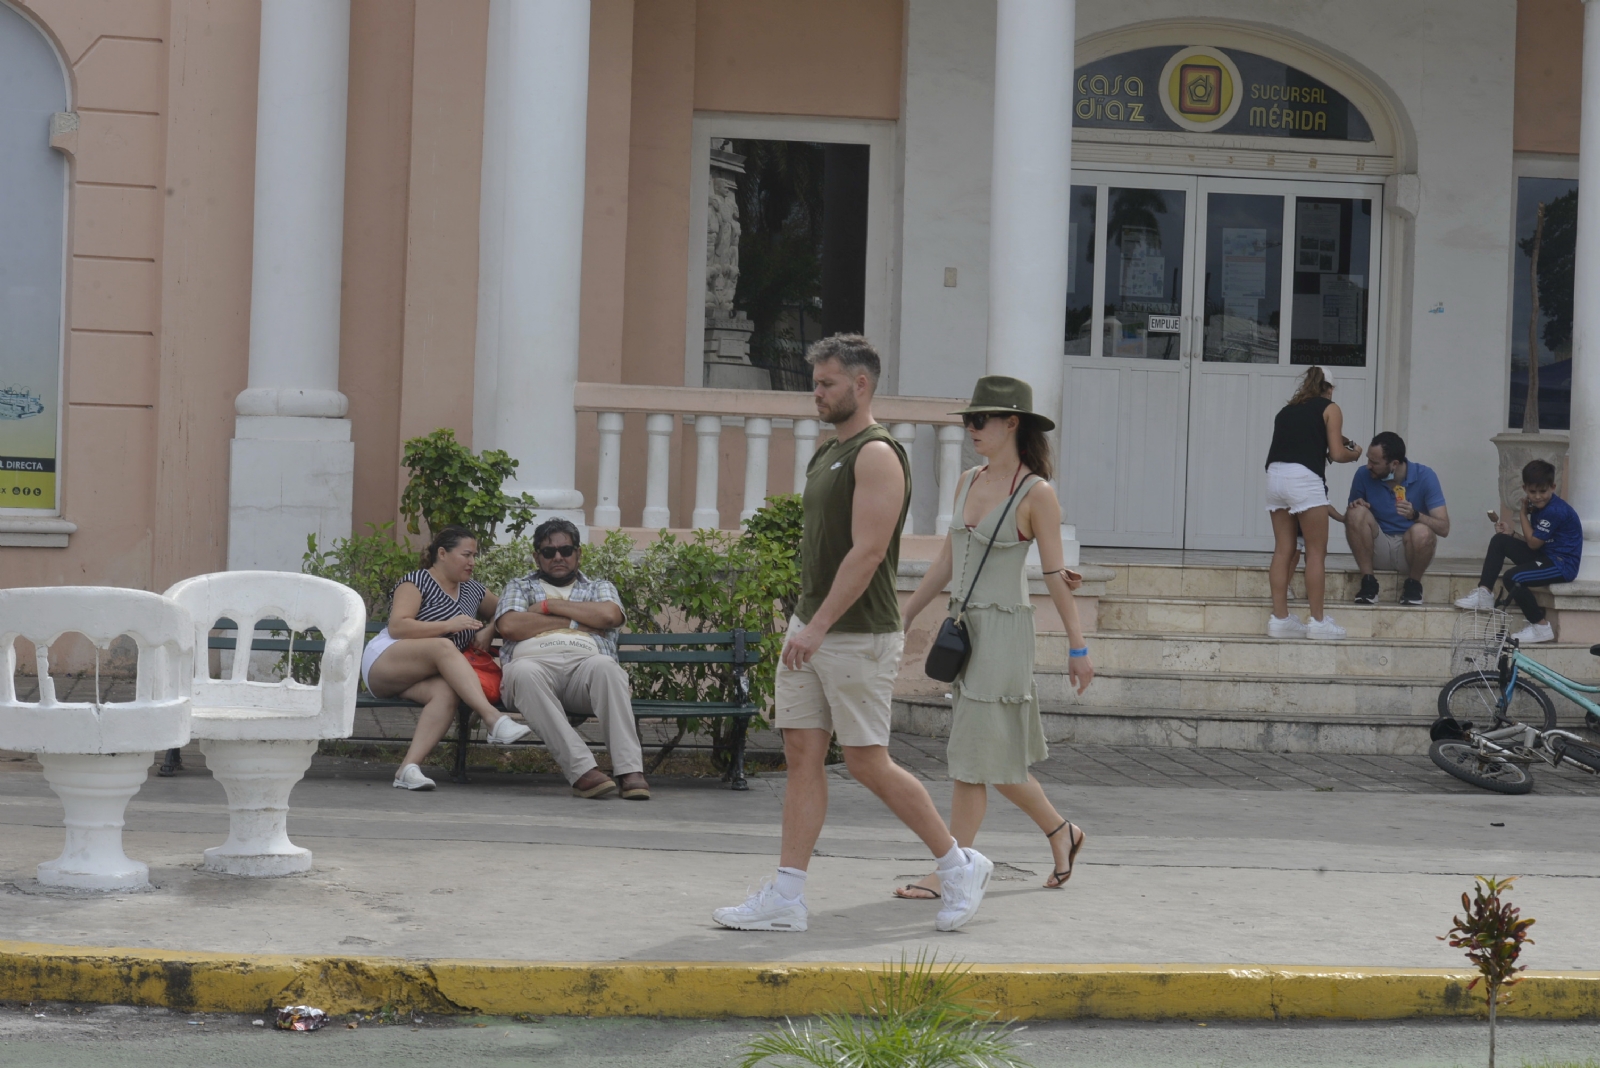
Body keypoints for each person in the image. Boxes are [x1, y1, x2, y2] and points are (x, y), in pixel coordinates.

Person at [712, 334, 993, 935]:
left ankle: (957, 864)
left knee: (866, 762)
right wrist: (805, 623)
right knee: (800, 757)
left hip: (855, 633)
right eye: (815, 382)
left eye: (827, 383)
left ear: (860, 385)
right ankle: (787, 896)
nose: (816, 393)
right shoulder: (828, 453)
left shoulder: (877, 454)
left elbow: (867, 554)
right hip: (812, 626)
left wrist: (815, 626)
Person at [891, 375, 1094, 902]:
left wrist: (1078, 647)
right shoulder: (967, 480)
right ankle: (1062, 833)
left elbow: (1053, 575)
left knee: (973, 758)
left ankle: (951, 869)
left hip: (1005, 634)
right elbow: (946, 560)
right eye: (968, 419)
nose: (971, 428)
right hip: (965, 628)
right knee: (993, 757)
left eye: (981, 420)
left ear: (1012, 424)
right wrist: (905, 617)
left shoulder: (1037, 493)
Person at [364, 525, 532, 791]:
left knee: (446, 693)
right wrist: (447, 625)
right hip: (386, 662)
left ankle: (407, 769)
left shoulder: (473, 591)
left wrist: (490, 628)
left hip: (427, 674)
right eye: (466, 555)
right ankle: (492, 719)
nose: (472, 562)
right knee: (443, 647)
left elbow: (507, 612)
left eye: (474, 556)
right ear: (442, 553)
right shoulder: (416, 581)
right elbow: (398, 626)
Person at [495, 518, 650, 800]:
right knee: (523, 672)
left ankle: (630, 771)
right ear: (536, 557)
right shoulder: (519, 586)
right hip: (535, 671)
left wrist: (547, 607)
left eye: (566, 551)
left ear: (578, 554)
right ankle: (583, 771)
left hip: (586, 671)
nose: (558, 557)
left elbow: (608, 616)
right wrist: (576, 621)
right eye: (548, 552)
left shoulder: (598, 587)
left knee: (608, 669)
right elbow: (510, 626)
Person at [1263, 366, 1364, 640]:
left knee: (1283, 549)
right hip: (1303, 480)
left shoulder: (1286, 411)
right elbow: (1337, 453)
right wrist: (1356, 453)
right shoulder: (1330, 407)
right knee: (1316, 551)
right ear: (1329, 388)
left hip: (1275, 477)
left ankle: (1280, 619)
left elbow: (1305, 441)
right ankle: (1318, 623)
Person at [1453, 459, 1581, 644]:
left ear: (1553, 487)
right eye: (1532, 492)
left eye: (1543, 491)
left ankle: (1541, 626)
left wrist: (1522, 514)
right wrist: (1512, 534)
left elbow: (1534, 544)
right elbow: (1536, 541)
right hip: (1546, 555)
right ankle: (1484, 593)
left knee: (1512, 578)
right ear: (1525, 488)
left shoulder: (1554, 510)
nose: (1537, 496)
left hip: (1561, 564)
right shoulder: (1539, 507)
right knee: (1500, 540)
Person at [1342, 431, 1450, 606]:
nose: (1368, 465)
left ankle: (1413, 584)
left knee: (1422, 531)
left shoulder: (1425, 476)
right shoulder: (1363, 475)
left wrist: (1415, 515)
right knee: (1356, 512)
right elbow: (1351, 521)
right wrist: (1356, 506)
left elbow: (1443, 528)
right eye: (1368, 459)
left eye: (1374, 462)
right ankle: (1368, 582)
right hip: (1378, 546)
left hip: (1411, 552)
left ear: (1394, 464)